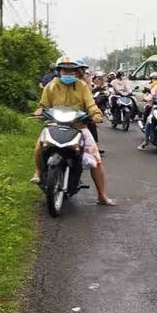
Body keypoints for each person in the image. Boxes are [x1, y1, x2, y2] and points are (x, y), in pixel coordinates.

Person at [31, 56, 115, 206]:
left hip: (79, 126)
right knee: (39, 145)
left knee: (96, 161)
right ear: (59, 71)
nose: (68, 73)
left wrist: (96, 114)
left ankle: (102, 196)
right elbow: (43, 104)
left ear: (76, 71)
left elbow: (90, 104)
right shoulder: (51, 86)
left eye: (71, 70)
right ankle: (38, 171)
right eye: (65, 69)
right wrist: (39, 110)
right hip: (54, 124)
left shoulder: (82, 86)